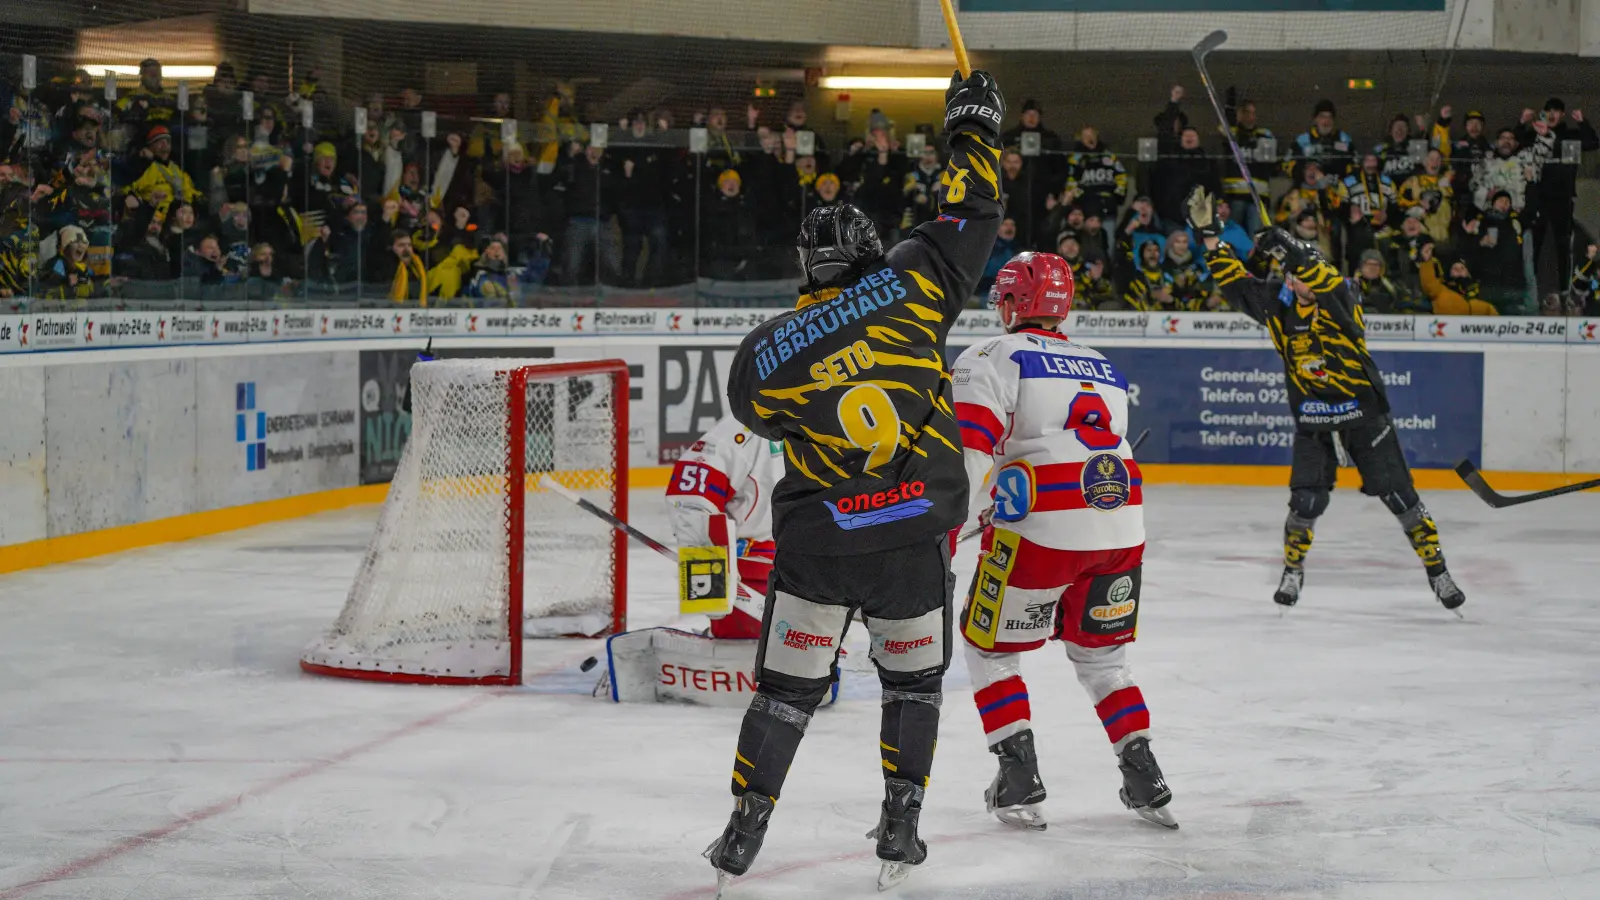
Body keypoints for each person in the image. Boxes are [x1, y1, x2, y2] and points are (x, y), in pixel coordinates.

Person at [706, 69, 1005, 893]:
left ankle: (743, 831)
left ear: (808, 266)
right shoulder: (915, 279)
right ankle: (900, 827)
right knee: (914, 684)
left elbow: (760, 417)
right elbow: (974, 210)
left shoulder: (769, 346)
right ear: (872, 251)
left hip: (819, 546)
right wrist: (971, 126)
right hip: (913, 540)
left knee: (784, 695)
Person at [952, 251, 1176, 833]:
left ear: (1010, 303)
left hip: (1042, 532)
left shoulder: (989, 356)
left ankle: (1018, 775)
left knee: (991, 648)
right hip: (1122, 525)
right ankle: (1143, 772)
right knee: (1103, 659)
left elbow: (971, 457)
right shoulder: (1102, 365)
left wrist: (947, 528)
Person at [1187, 186, 1465, 612]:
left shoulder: (1341, 299)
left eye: (1305, 270)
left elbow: (1322, 274)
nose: (1302, 279)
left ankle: (1438, 571)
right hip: (1314, 423)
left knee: (1401, 499)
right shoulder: (1279, 310)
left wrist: (1290, 245)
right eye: (1294, 274)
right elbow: (1234, 280)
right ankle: (1293, 570)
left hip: (1365, 418)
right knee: (1305, 504)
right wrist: (1210, 233)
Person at [666, 413, 783, 640]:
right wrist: (711, 584)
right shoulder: (744, 430)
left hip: (818, 571)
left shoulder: (835, 415)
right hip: (756, 578)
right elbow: (690, 499)